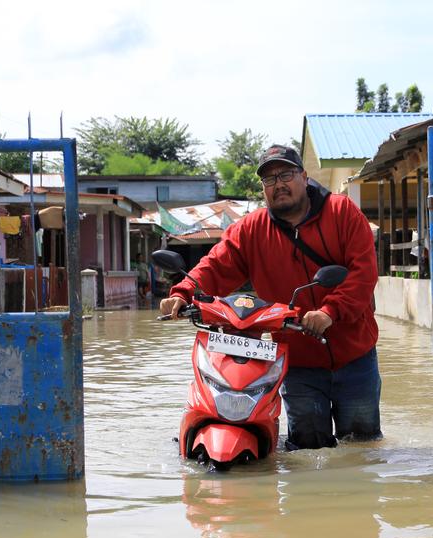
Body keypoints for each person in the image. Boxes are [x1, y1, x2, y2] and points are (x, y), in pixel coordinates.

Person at [160, 145, 381, 450]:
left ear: (304, 177)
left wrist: (331, 311)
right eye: (269, 179)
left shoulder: (342, 212)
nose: (279, 184)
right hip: (298, 360)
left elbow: (364, 272)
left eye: (286, 174)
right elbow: (216, 263)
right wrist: (183, 292)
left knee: (363, 447)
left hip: (355, 356)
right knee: (307, 449)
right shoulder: (252, 229)